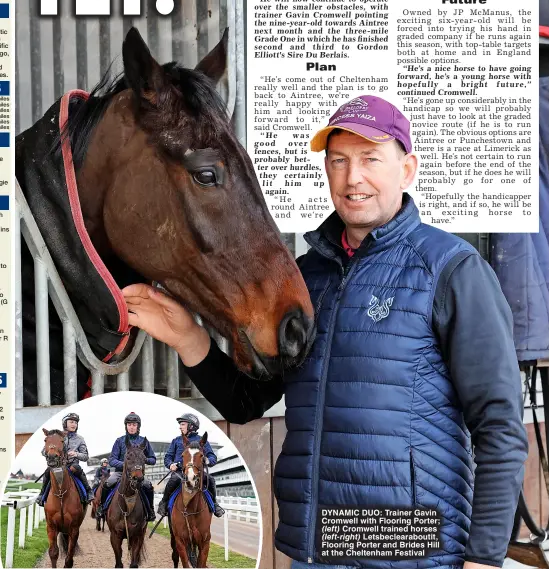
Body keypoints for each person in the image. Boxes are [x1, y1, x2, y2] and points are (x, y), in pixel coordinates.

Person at [123, 95, 529, 569]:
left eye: (370, 159)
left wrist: (484, 558)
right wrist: (187, 337)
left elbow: (499, 426)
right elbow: (246, 402)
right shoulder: (304, 280)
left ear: (408, 169)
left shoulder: (452, 270)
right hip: (320, 548)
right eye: (338, 161)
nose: (353, 178)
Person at [157, 412, 225, 519]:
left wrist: (207, 460)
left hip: (197, 471)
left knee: (210, 480)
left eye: (183, 424)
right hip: (180, 472)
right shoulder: (176, 441)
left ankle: (215, 504)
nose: (180, 427)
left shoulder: (202, 440)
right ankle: (164, 503)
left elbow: (212, 457)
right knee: (173, 480)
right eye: (180, 424)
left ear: (191, 425)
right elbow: (167, 458)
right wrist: (170, 465)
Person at [96, 412, 157, 522]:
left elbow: (153, 459)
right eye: (129, 425)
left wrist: (144, 460)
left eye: (134, 425)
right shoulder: (119, 441)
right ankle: (102, 507)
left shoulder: (144, 441)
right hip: (121, 473)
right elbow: (112, 460)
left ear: (138, 426)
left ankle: (150, 510)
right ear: (126, 426)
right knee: (108, 483)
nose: (132, 427)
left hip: (137, 473)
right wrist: (125, 465)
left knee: (148, 486)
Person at [37, 412, 94, 506]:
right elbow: (43, 451)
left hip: (72, 465)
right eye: (71, 422)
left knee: (76, 468)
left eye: (75, 423)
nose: (74, 424)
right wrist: (52, 452)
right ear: (65, 423)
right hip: (58, 465)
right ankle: (42, 494)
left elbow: (85, 456)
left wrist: (76, 454)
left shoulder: (80, 439)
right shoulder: (55, 436)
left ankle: (88, 492)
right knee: (48, 471)